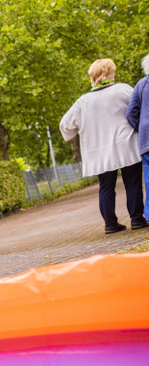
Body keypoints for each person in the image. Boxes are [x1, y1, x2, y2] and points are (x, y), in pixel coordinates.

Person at [61, 58, 146, 234]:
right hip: (126, 145)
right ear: (111, 73)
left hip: (100, 151)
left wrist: (75, 135)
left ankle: (110, 224)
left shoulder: (83, 101)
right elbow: (137, 108)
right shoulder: (123, 89)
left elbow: (66, 126)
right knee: (133, 183)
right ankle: (137, 219)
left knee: (106, 187)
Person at [126, 53, 149, 223]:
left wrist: (140, 128)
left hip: (146, 138)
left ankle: (148, 215)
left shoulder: (141, 84)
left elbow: (131, 112)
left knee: (148, 181)